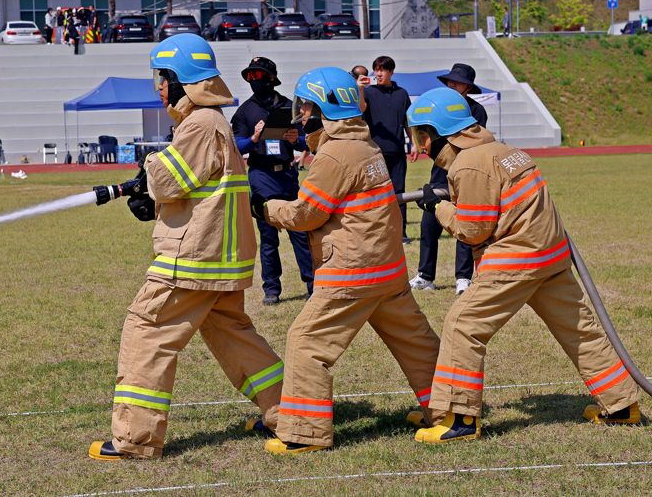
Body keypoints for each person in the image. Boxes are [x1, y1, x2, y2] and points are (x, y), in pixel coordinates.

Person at [406, 87, 642, 444]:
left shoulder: (469, 164)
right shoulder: (506, 151)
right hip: (550, 256)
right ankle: (622, 405)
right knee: (581, 332)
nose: (421, 146)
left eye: (422, 136)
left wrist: (437, 208)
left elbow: (473, 230)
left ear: (441, 133)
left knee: (462, 325)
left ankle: (460, 420)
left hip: (515, 259)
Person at [88, 34, 284, 461]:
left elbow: (167, 180)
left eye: (163, 79)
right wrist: (154, 195)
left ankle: (135, 440)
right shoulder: (211, 122)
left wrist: (149, 177)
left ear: (182, 81)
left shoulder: (200, 124)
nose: (158, 88)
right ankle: (289, 412)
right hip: (219, 259)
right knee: (234, 337)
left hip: (195, 258)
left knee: (147, 331)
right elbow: (189, 186)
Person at [254, 67, 443, 455]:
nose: (301, 114)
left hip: (351, 272)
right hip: (387, 269)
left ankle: (304, 432)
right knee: (417, 344)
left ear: (322, 109)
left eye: (305, 107)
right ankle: (447, 410)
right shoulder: (365, 143)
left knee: (305, 343)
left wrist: (267, 208)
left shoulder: (335, 154)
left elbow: (308, 215)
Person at [231, 57, 314, 305]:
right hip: (261, 175)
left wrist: (293, 139)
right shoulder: (245, 111)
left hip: (287, 175)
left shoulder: (289, 106)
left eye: (258, 75)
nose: (253, 80)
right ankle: (272, 289)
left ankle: (312, 284)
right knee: (268, 235)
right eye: (250, 76)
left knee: (300, 231)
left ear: (270, 78)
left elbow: (306, 140)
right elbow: (236, 145)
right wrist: (254, 138)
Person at [410, 64, 485, 295]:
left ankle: (463, 278)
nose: (452, 85)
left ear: (468, 87)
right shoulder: (437, 107)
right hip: (439, 175)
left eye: (457, 82)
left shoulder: (477, 111)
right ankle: (425, 275)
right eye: (450, 82)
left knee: (463, 226)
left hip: (465, 175)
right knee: (428, 225)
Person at [357, 56, 417, 244]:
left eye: (383, 70)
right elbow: (360, 109)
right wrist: (360, 89)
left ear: (391, 72)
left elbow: (408, 121)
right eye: (376, 69)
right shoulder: (369, 92)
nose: (379, 73)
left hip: (398, 152)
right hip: (374, 152)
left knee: (399, 192)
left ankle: (401, 233)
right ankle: (377, 233)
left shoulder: (402, 93)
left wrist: (414, 142)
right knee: (375, 193)